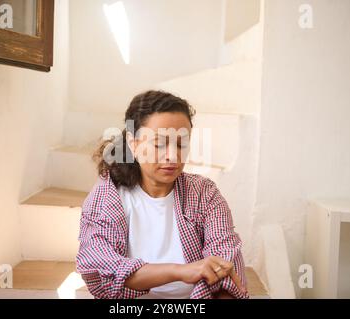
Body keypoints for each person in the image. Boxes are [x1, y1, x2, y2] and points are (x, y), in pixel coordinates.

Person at [75, 90, 248, 299]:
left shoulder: (204, 193)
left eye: (181, 144)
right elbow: (104, 267)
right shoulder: (109, 195)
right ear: (133, 144)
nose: (173, 156)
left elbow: (225, 263)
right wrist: (181, 271)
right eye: (159, 144)